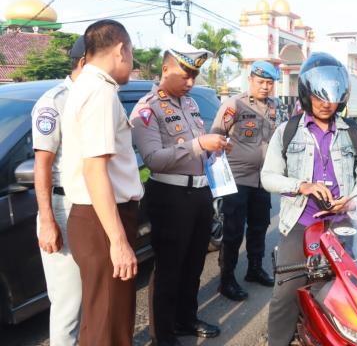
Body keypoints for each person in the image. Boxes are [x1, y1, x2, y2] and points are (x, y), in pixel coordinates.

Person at [261, 52, 357, 346]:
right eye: (320, 96)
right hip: (301, 223)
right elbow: (268, 177)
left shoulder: (353, 133)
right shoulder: (286, 132)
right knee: (286, 290)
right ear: (306, 93)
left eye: (333, 97)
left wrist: (351, 201)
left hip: (345, 223)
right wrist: (302, 186)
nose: (327, 103)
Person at [131, 35, 227, 346]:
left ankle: (187, 319)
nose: (190, 82)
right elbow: (153, 159)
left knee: (194, 263)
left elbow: (198, 147)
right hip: (170, 197)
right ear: (165, 69)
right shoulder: (148, 109)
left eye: (194, 76)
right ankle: (165, 334)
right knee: (169, 268)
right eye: (185, 75)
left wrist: (215, 147)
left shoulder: (191, 103)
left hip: (199, 194)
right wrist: (199, 144)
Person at [62, 20, 144, 345]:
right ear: (121, 49)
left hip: (95, 216)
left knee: (101, 318)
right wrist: (118, 241)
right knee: (108, 324)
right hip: (102, 219)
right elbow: (95, 169)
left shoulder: (84, 85)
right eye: (131, 54)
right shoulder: (100, 91)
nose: (131, 62)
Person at [210, 61, 281, 301]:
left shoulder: (273, 107)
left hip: (263, 179)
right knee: (233, 231)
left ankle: (254, 268)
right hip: (237, 180)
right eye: (261, 82)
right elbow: (216, 136)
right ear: (250, 79)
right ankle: (226, 279)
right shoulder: (234, 105)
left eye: (269, 83)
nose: (265, 87)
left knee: (259, 227)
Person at [32, 36, 85, 345]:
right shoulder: (55, 102)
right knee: (69, 304)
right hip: (64, 206)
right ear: (83, 63)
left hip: (92, 205)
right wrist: (48, 220)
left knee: (93, 295)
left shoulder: (99, 96)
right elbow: (42, 165)